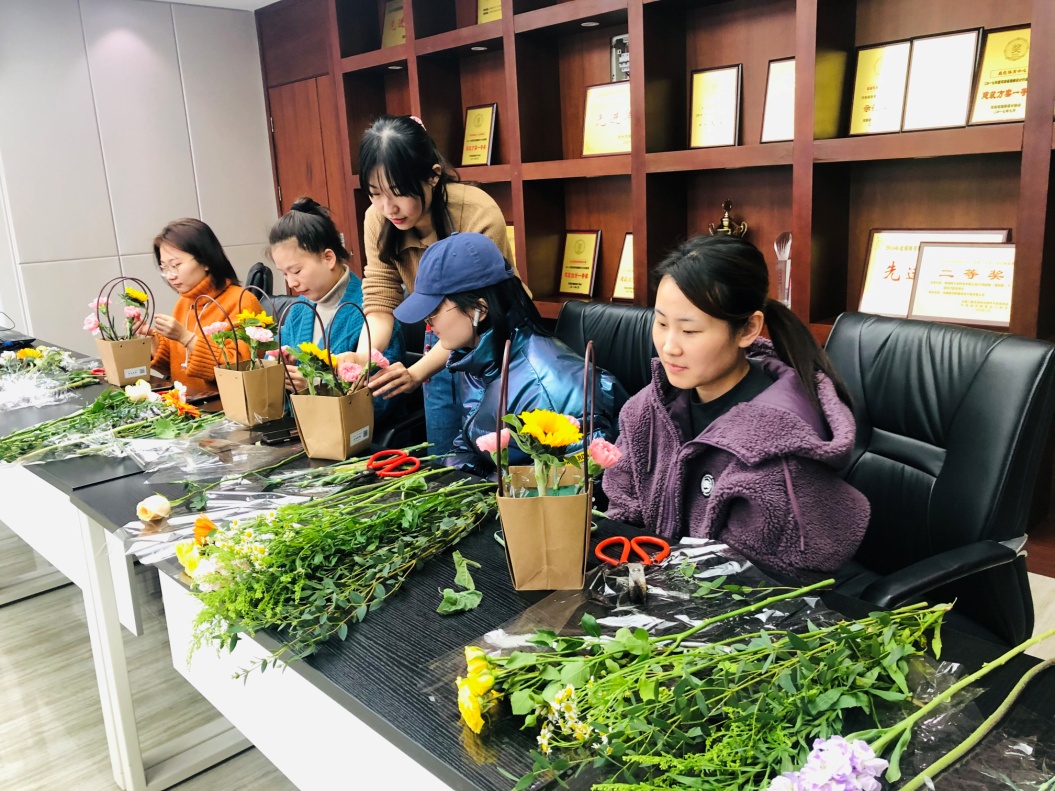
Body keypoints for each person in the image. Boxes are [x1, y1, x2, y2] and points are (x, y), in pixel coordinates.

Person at [602, 235, 869, 581]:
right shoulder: (645, 411)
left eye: (689, 331)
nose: (669, 346)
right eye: (662, 323)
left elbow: (757, 582)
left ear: (748, 329)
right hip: (654, 591)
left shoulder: (778, 447)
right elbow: (623, 518)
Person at [351, 114, 521, 453]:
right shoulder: (377, 218)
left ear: (433, 175)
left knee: (499, 454)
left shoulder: (475, 211)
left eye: (399, 192)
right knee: (444, 455)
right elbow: (381, 300)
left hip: (493, 331)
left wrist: (416, 373)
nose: (388, 208)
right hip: (441, 331)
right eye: (375, 194)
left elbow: (479, 312)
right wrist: (362, 358)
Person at [393, 232, 626, 478]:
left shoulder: (547, 389)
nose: (428, 322)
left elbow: (578, 482)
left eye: (434, 310)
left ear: (480, 309)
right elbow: (470, 442)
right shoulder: (476, 357)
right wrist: (455, 481)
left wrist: (490, 488)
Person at [269, 197, 404, 416]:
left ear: (328, 258)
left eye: (296, 271)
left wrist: (315, 387)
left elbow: (383, 402)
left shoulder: (373, 313)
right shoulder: (298, 311)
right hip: (301, 427)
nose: (291, 283)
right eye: (284, 274)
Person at [150, 218, 263, 391]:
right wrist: (149, 340)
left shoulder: (242, 301)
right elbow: (176, 369)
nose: (171, 275)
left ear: (205, 261)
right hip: (187, 402)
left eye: (176, 265)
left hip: (226, 404)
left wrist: (186, 338)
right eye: (164, 268)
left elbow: (241, 368)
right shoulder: (183, 304)